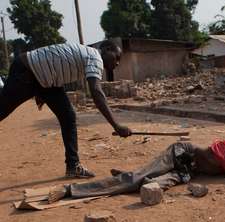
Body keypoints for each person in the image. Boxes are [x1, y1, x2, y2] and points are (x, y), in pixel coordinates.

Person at [47, 135, 225, 203]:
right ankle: (70, 189)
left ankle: (130, 175)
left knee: (141, 186)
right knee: (137, 179)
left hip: (186, 172)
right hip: (182, 153)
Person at [0, 41, 132, 178]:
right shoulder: (95, 57)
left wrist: (42, 94)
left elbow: (56, 64)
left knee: (68, 117)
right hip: (27, 71)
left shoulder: (86, 55)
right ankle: (72, 165)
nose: (117, 63)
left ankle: (73, 166)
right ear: (106, 49)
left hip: (44, 81)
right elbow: (96, 92)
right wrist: (117, 126)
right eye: (116, 57)